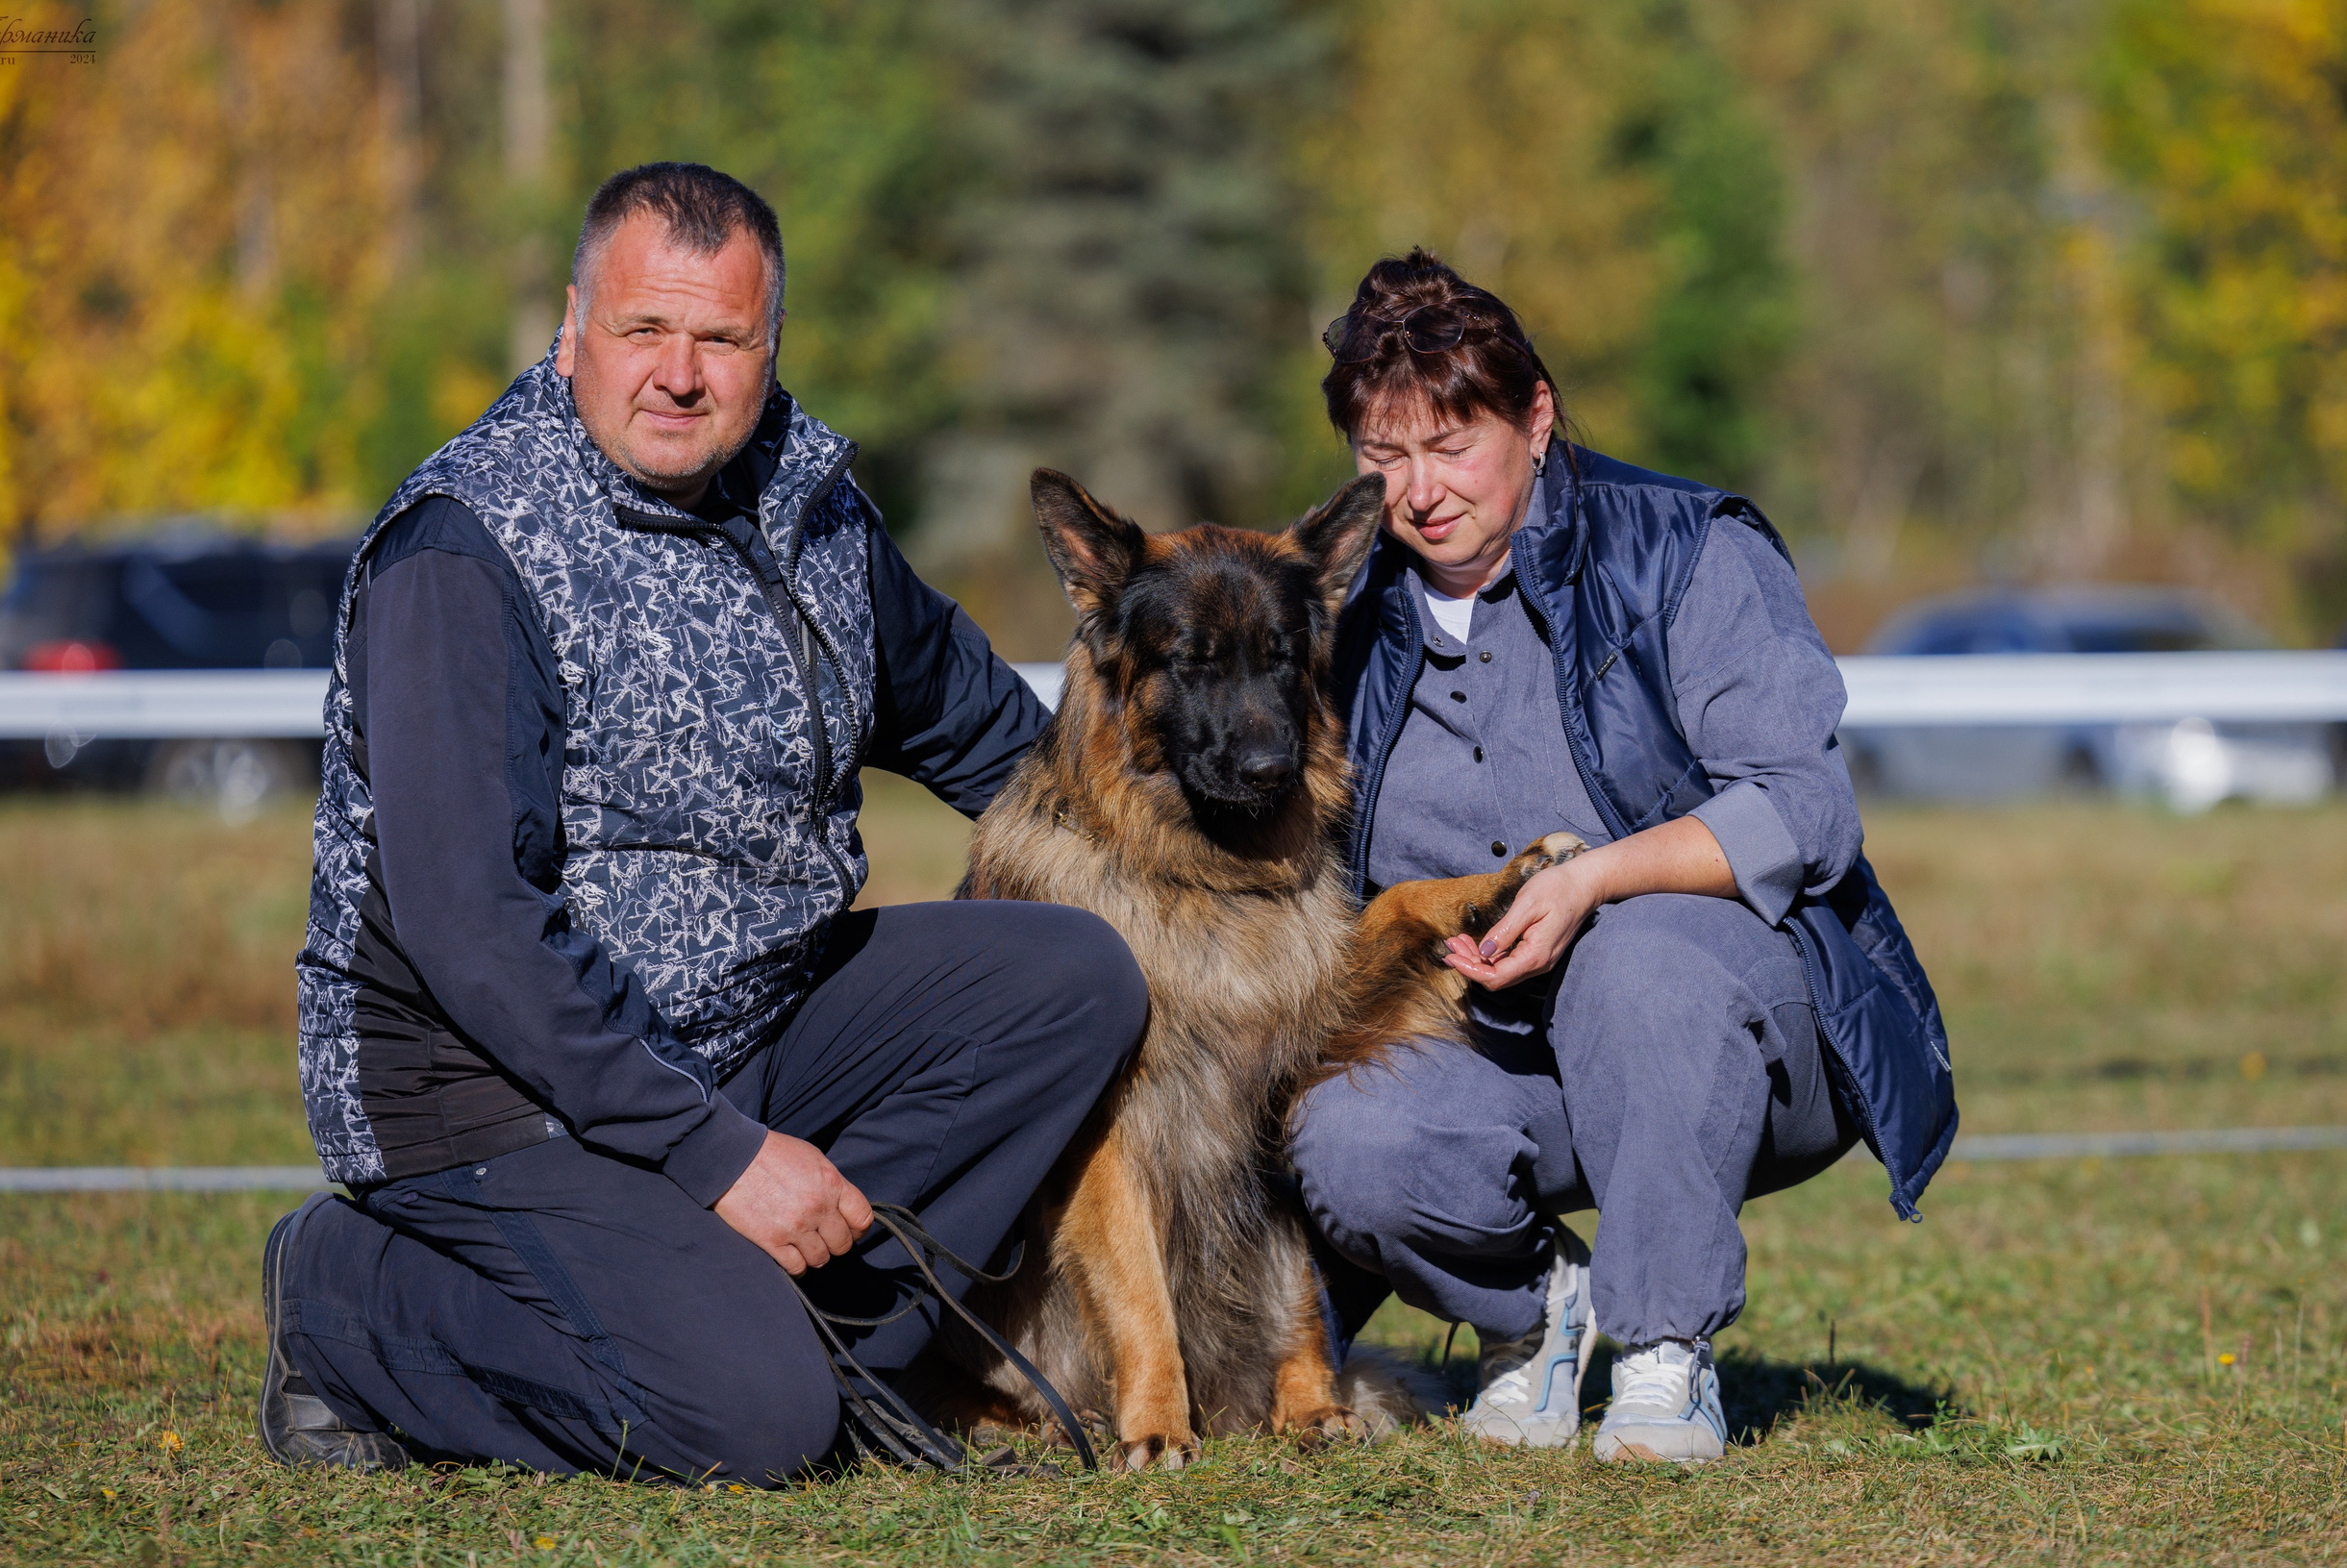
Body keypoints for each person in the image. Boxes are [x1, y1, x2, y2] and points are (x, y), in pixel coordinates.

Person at [259, 162, 1147, 1485]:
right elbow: (475, 930)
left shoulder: (813, 503)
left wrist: (1201, 871)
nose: (680, 372)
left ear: (767, 344)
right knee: (748, 1420)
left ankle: (829, 1345)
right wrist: (718, 1155)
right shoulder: (466, 544)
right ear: (572, 327)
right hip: (492, 1096)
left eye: (721, 337)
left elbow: (987, 733)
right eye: (643, 329)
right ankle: (345, 1293)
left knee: (1077, 980)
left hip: (746, 1021)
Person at [1290, 250, 1955, 1464]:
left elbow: (1807, 811)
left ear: (1535, 414)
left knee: (1631, 955)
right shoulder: (1335, 617)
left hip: (1733, 1030)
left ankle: (1662, 1353)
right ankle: (1533, 1309)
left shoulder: (1687, 549)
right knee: (1341, 1130)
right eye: (1382, 457)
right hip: (1484, 1050)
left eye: (1451, 443)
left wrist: (1594, 875)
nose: (1418, 489)